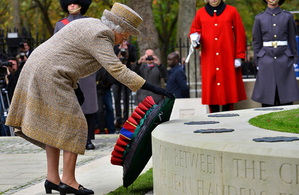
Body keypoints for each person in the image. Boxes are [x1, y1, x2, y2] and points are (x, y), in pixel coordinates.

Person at [5, 3, 173, 195]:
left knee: (53, 125)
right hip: (49, 75)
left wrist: (75, 87)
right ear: (116, 29)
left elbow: (68, 55)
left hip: (40, 68)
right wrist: (153, 88)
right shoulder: (103, 35)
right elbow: (117, 69)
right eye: (125, 35)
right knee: (76, 124)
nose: (123, 41)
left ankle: (52, 178)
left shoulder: (92, 24)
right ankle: (68, 181)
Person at [189, 0, 247, 113]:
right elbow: (194, 32)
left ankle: (228, 115)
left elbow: (240, 33)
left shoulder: (232, 11)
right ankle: (213, 116)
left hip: (227, 58)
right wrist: (195, 40)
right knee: (211, 88)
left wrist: (239, 56)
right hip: (209, 59)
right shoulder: (200, 13)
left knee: (228, 87)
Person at [54, 0, 97, 150]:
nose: (71, 5)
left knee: (88, 106)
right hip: (66, 68)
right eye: (69, 3)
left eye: (75, 3)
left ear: (81, 5)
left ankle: (87, 139)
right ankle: (69, 137)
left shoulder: (89, 22)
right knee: (68, 104)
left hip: (85, 68)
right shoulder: (60, 24)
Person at [251, 0, 299, 107]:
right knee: (267, 99)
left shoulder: (287, 16)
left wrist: (295, 59)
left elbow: (292, 40)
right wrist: (258, 61)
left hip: (284, 59)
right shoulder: (260, 18)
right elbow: (257, 42)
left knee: (286, 98)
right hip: (266, 59)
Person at [113, 39, 136, 127]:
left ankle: (126, 118)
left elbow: (133, 58)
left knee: (126, 97)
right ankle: (118, 119)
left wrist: (127, 50)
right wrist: (118, 49)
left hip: (126, 74)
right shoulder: (115, 46)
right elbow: (112, 57)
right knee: (116, 98)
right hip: (116, 76)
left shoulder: (131, 47)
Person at [96, 67, 116, 134]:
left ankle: (111, 130)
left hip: (106, 87)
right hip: (96, 88)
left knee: (109, 108)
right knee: (99, 110)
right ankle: (100, 129)